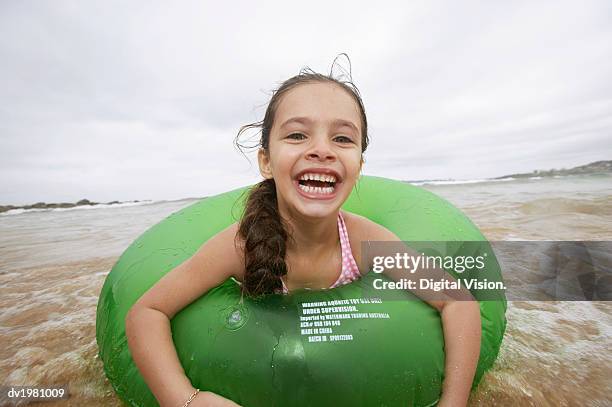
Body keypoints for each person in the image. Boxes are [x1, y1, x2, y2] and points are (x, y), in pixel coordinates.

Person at [125, 57, 481, 407]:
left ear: (359, 164)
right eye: (297, 135)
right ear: (266, 160)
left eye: (343, 139)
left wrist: (454, 402)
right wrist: (186, 399)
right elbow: (147, 312)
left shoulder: (364, 241)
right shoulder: (240, 246)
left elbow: (457, 300)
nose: (321, 150)